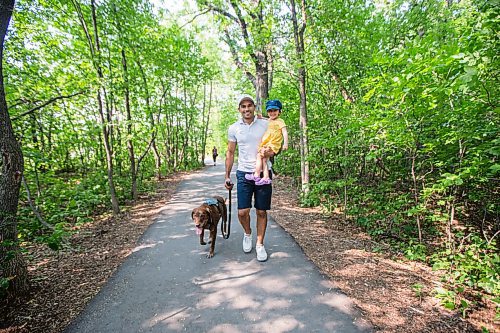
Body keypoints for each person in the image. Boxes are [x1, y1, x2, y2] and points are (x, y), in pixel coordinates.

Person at [224, 96, 275, 262]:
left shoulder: (265, 124)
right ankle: (248, 233)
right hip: (243, 173)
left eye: (249, 106)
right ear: (239, 109)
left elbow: (277, 143)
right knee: (242, 212)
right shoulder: (233, 128)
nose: (246, 109)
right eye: (243, 106)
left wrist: (273, 153)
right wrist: (227, 175)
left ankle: (260, 244)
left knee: (261, 211)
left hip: (262, 172)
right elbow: (230, 153)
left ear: (254, 107)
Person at [245, 99, 288, 185]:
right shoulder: (268, 120)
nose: (272, 113)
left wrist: (286, 143)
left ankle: (256, 175)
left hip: (273, 145)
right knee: (263, 159)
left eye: (275, 110)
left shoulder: (280, 121)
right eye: (270, 111)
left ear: (279, 111)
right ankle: (266, 177)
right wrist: (262, 117)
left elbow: (285, 132)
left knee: (260, 155)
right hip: (266, 144)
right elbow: (267, 119)